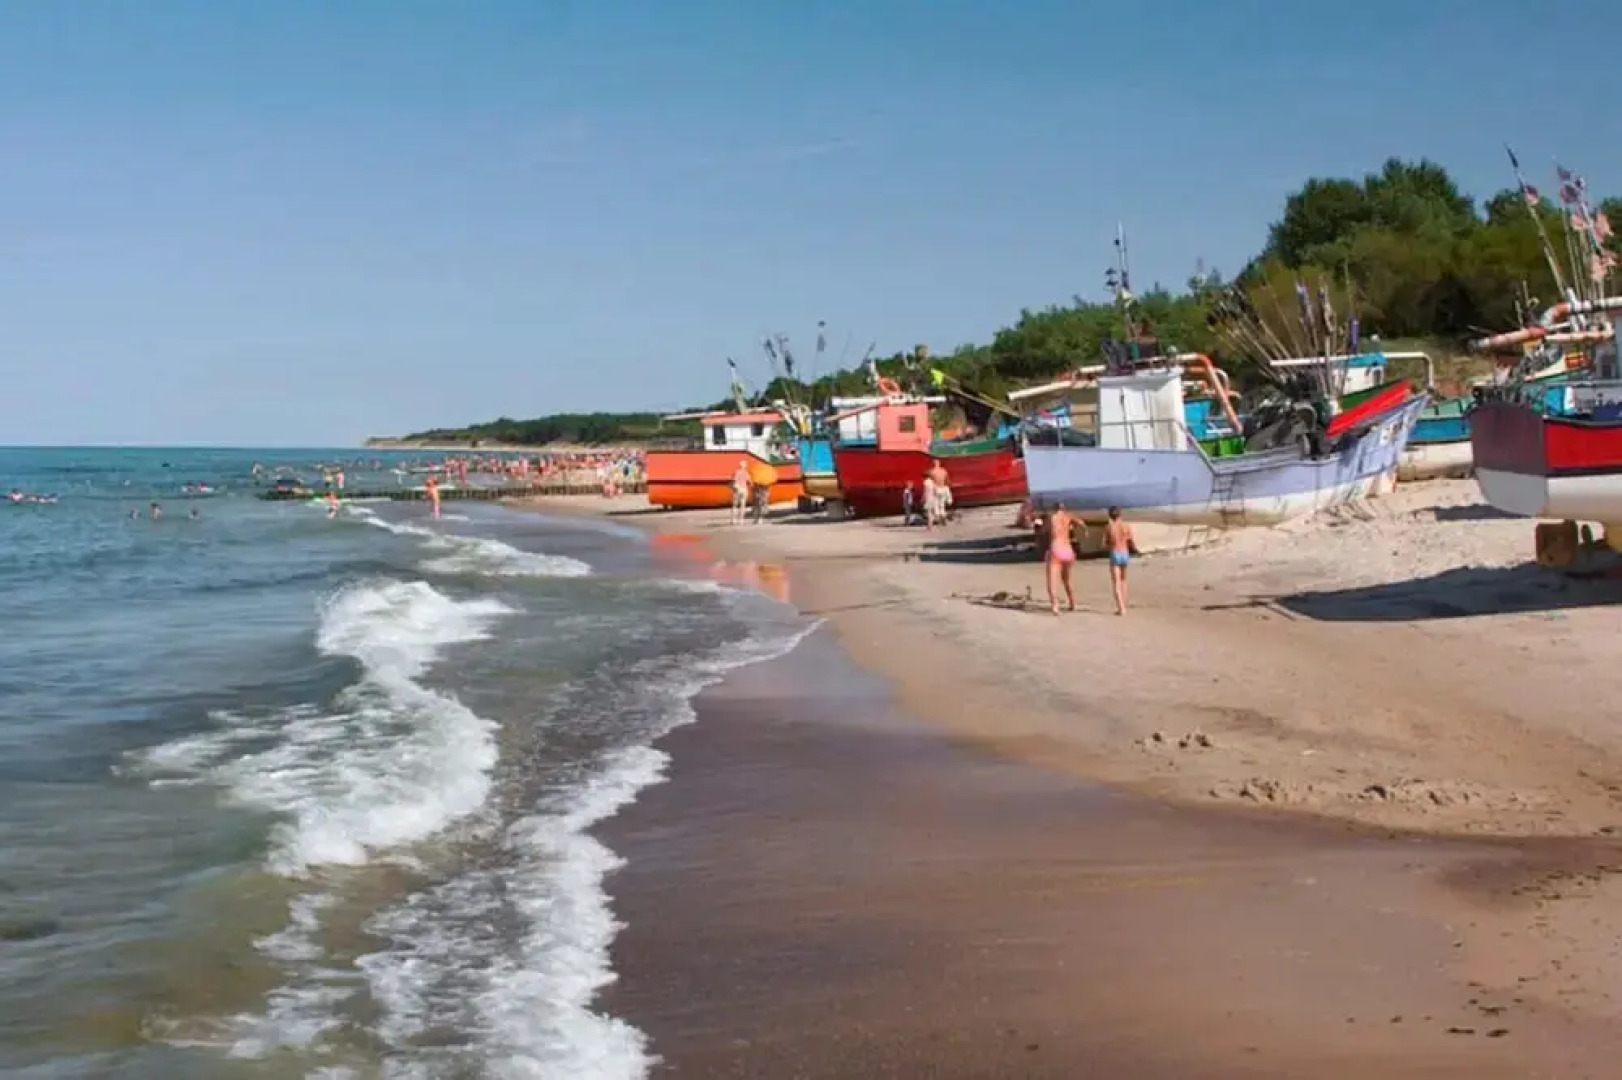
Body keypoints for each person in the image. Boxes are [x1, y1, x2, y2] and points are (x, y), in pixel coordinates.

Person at [1103, 506, 1137, 616]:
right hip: (1125, 553)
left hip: (1115, 553)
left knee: (1116, 583)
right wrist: (1134, 549)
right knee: (1123, 580)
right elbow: (1131, 541)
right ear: (1120, 514)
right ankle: (1124, 603)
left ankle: (1121, 608)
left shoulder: (1109, 527)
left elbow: (1105, 543)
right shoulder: (1126, 526)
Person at [1045, 502, 1077, 614]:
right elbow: (1081, 523)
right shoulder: (1068, 517)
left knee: (1052, 581)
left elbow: (1046, 531)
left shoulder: (1052, 518)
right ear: (1064, 508)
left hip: (1056, 548)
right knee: (1067, 579)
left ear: (1054, 508)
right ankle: (1072, 602)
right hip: (1068, 549)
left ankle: (1055, 606)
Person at [925, 459, 951, 527]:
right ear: (939, 464)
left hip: (936, 489)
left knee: (936, 505)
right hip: (943, 488)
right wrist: (947, 490)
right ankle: (943, 518)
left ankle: (939, 519)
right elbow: (947, 481)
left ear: (933, 464)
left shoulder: (931, 472)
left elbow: (927, 478)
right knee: (942, 505)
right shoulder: (944, 471)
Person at [730, 461, 750, 525]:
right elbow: (749, 482)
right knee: (742, 505)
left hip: (737, 489)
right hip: (744, 489)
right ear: (745, 466)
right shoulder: (747, 473)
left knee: (735, 505)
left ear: (739, 466)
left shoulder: (737, 472)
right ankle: (741, 520)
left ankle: (734, 520)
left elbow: (734, 481)